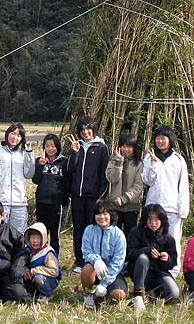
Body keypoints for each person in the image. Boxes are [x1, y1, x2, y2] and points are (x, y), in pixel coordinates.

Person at [141, 125, 189, 276]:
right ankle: (151, 267)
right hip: (154, 206)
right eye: (158, 138)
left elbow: (183, 185)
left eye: (164, 138)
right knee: (151, 238)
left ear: (170, 140)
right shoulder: (149, 157)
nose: (160, 141)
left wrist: (183, 209)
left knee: (173, 238)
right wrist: (153, 164)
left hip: (171, 206)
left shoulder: (178, 160)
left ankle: (173, 270)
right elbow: (147, 180)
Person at [67, 116, 110, 273]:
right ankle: (79, 261)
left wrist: (101, 197)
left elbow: (104, 174)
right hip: (77, 196)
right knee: (78, 229)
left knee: (92, 228)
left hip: (93, 197)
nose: (85, 132)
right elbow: (70, 169)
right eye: (82, 129)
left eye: (88, 129)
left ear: (93, 129)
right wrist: (74, 152)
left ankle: (92, 260)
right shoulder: (77, 146)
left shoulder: (101, 147)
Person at [126, 203, 180, 314]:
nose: (153, 223)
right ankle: (138, 295)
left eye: (157, 220)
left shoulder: (168, 238)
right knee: (143, 258)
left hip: (159, 272)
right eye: (150, 219)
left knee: (174, 294)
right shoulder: (136, 232)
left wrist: (167, 258)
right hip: (140, 272)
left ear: (162, 220)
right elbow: (129, 253)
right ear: (145, 219)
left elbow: (173, 263)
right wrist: (147, 251)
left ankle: (152, 294)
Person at [0, 123, 35, 233]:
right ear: (7, 134)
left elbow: (29, 174)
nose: (15, 137)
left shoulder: (23, 153)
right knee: (0, 232)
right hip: (2, 202)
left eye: (19, 135)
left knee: (19, 234)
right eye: (13, 133)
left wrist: (29, 155)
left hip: (20, 202)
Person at [81, 201, 128, 310]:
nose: (102, 217)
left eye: (105, 214)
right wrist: (96, 260)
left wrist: (104, 283)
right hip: (95, 269)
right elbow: (86, 252)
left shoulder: (118, 235)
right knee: (87, 270)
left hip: (112, 273)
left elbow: (118, 262)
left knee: (119, 295)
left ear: (111, 215)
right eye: (98, 214)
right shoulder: (89, 230)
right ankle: (88, 295)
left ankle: (102, 294)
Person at [33, 133, 70, 254]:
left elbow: (68, 181)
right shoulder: (39, 161)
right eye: (47, 146)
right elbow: (35, 180)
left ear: (58, 146)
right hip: (41, 202)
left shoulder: (64, 162)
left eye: (53, 146)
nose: (50, 149)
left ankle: (54, 257)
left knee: (55, 233)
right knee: (42, 231)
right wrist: (40, 166)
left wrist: (64, 199)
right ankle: (41, 256)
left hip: (56, 203)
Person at [105, 132, 144, 238]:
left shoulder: (139, 163)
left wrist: (124, 198)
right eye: (123, 146)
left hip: (131, 207)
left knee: (130, 236)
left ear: (134, 147)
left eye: (129, 146)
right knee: (114, 236)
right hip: (115, 206)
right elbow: (112, 179)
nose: (126, 149)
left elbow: (138, 185)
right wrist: (118, 162)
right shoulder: (113, 160)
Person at [17, 222, 61, 304]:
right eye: (33, 238)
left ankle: (47, 294)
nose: (35, 241)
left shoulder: (47, 252)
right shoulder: (28, 250)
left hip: (49, 279)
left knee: (38, 279)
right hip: (32, 276)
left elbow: (54, 271)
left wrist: (35, 271)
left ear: (43, 239)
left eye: (38, 238)